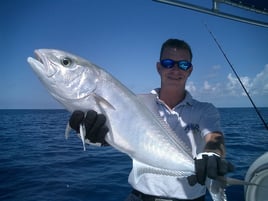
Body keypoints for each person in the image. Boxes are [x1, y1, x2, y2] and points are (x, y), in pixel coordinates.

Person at [69, 39, 233, 201]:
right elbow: (117, 132)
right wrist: (94, 137)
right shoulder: (137, 103)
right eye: (168, 63)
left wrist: (212, 154)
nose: (175, 70)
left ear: (189, 70)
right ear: (159, 67)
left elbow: (214, 137)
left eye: (183, 65)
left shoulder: (204, 110)